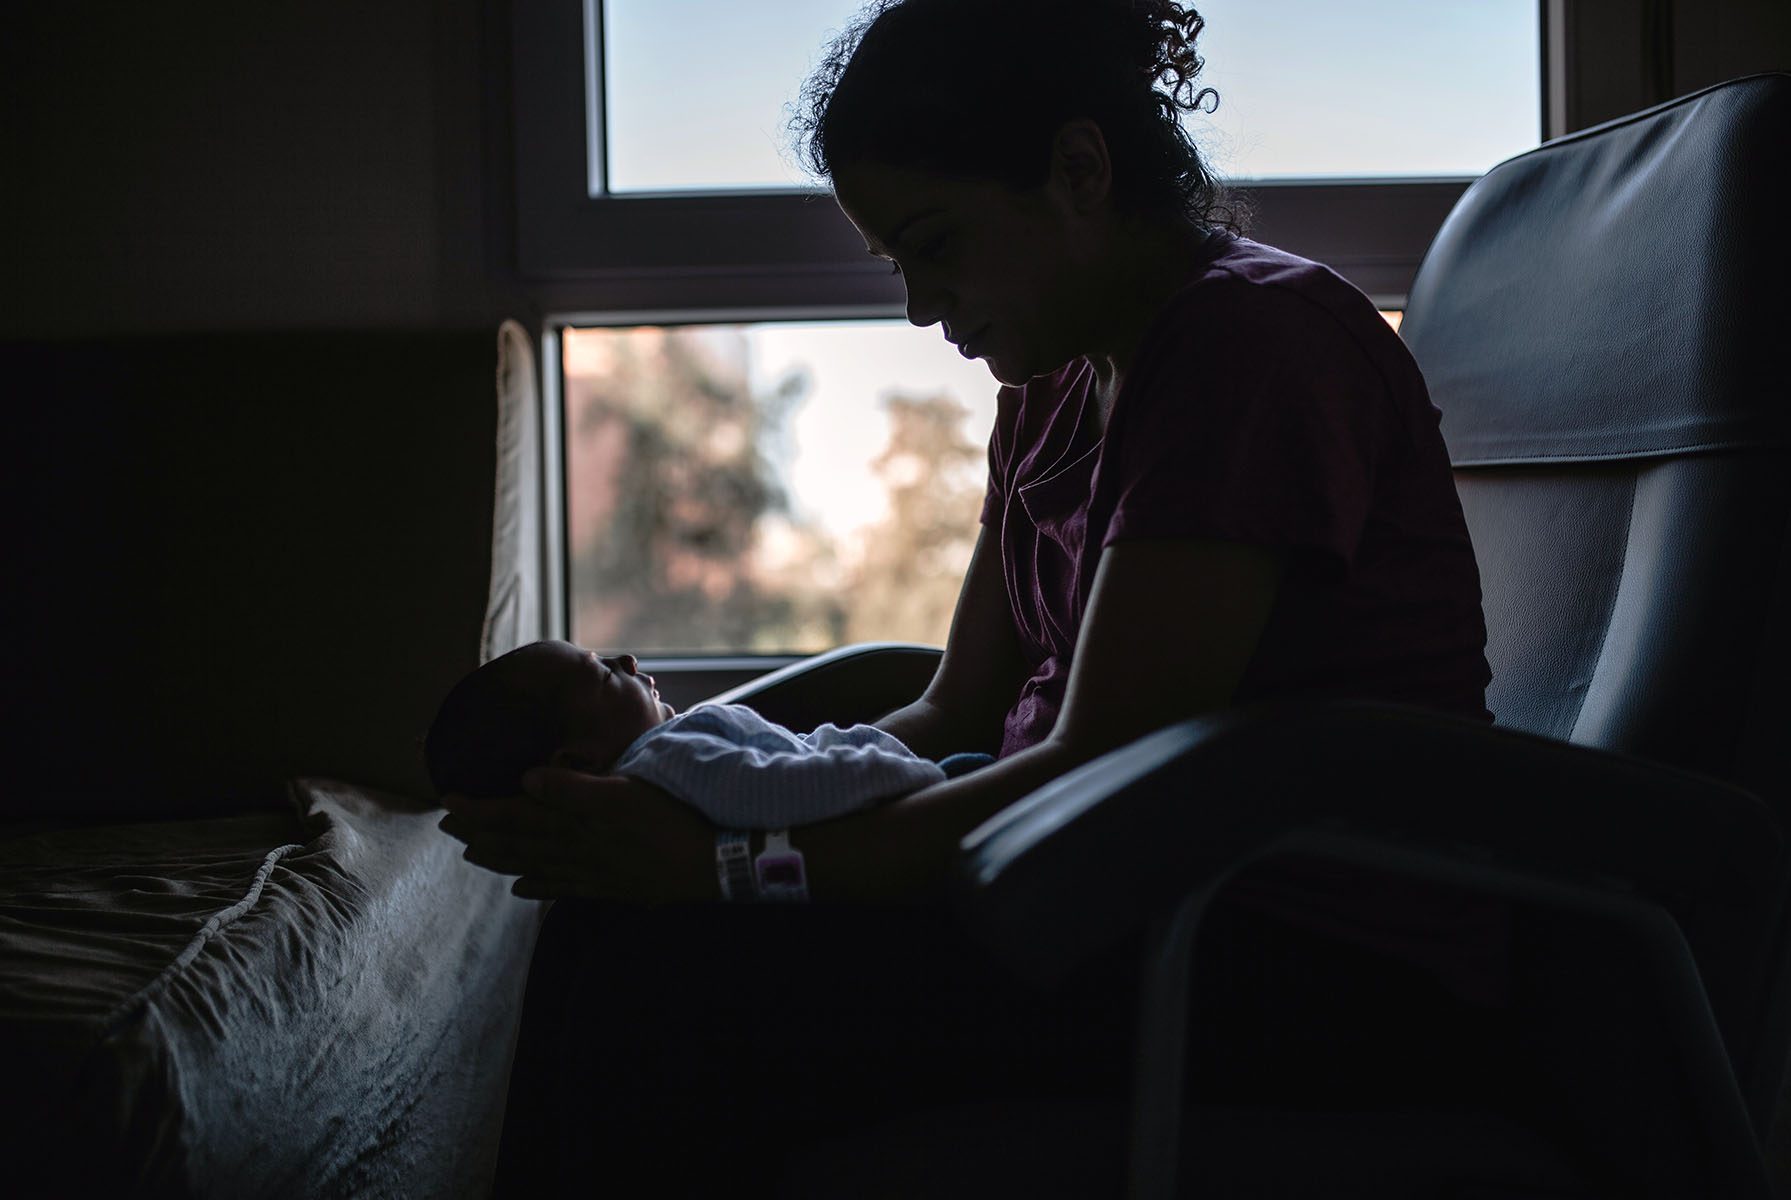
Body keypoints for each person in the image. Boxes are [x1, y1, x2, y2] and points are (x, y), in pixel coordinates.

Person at [444, 1, 1523, 1192]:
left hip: (1291, 946)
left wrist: (729, 873)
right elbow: (955, 713)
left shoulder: (1249, 351)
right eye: (898, 260)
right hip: (1090, 891)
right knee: (604, 919)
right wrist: (691, 800)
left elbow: (1100, 781)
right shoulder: (1054, 381)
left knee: (667, 984)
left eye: (937, 243)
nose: (915, 306)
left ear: (1078, 169)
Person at [426, 640, 950, 844]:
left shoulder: (666, 757)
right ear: (578, 759)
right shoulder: (671, 761)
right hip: (909, 793)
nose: (627, 660)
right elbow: (785, 789)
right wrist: (915, 777)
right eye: (605, 675)